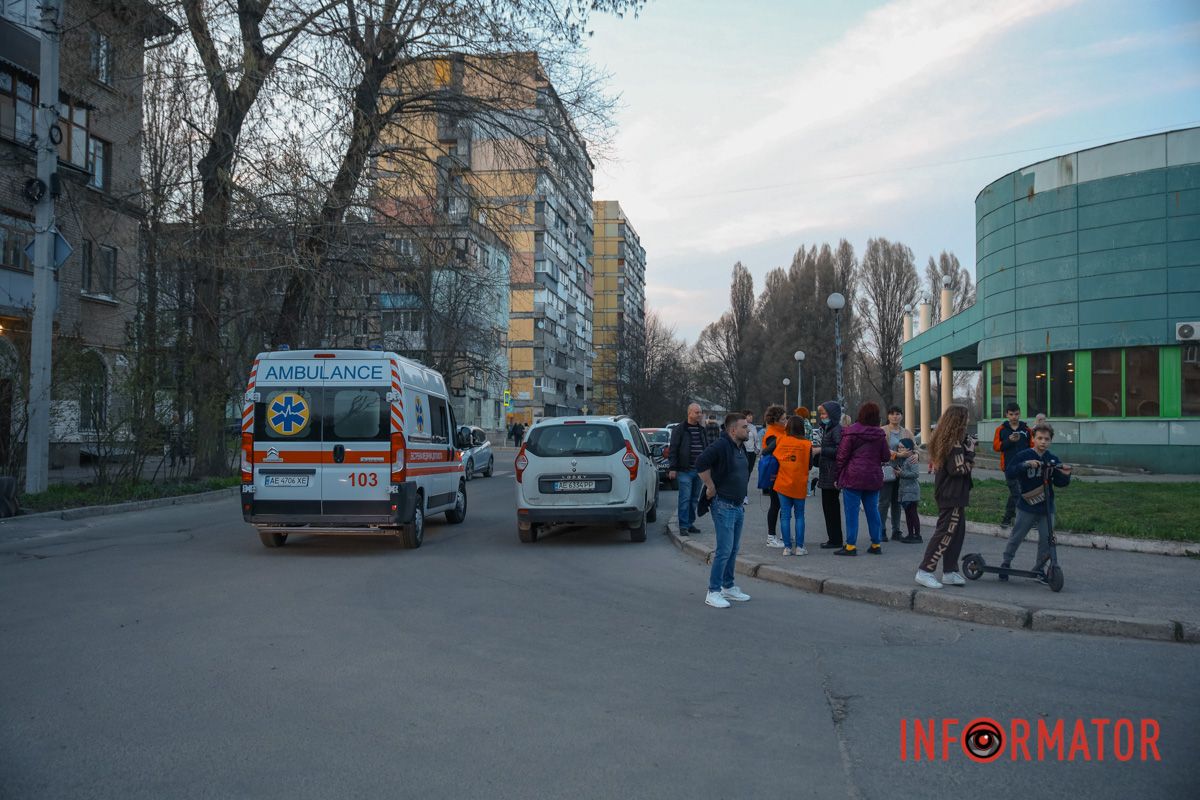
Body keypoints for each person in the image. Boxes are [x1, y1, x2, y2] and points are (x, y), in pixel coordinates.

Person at [1000, 423, 1072, 581]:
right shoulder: (1024, 455)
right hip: (1026, 506)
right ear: (1033, 439)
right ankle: (1006, 563)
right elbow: (1010, 472)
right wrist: (1025, 465)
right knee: (1017, 536)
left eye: (1046, 439)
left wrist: (1066, 475)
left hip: (1046, 507)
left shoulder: (1052, 458)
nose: (1043, 442)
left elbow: (1060, 482)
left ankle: (1039, 568)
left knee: (1046, 540)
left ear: (1051, 441)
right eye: (1040, 438)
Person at [696, 413, 753, 608]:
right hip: (723, 505)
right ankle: (713, 591)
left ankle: (728, 586)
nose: (748, 430)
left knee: (733, 549)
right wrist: (710, 486)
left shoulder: (739, 447)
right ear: (733, 430)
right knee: (724, 550)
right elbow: (701, 463)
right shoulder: (721, 445)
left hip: (737, 506)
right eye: (744, 427)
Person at [915, 405, 975, 589]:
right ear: (958, 420)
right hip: (952, 495)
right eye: (966, 418)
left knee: (956, 533)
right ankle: (925, 571)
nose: (968, 421)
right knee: (946, 533)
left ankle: (950, 571)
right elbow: (958, 469)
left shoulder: (950, 440)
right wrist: (970, 453)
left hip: (953, 494)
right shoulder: (953, 444)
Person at [834, 402, 891, 556]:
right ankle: (876, 544)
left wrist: (837, 476)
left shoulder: (851, 432)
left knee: (851, 513)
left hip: (853, 477)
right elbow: (886, 456)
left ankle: (850, 546)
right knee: (873, 511)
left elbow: (841, 456)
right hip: (873, 477)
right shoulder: (880, 434)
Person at [668, 403, 718, 535]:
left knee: (694, 499)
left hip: (700, 471)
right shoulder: (680, 429)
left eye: (700, 412)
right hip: (685, 470)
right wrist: (672, 468)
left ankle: (690, 523)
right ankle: (683, 526)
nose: (700, 415)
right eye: (697, 412)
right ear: (689, 413)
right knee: (685, 498)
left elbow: (706, 448)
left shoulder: (702, 430)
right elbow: (673, 449)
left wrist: (710, 464)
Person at [771, 414, 817, 556]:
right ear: (802, 428)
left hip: (782, 482)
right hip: (799, 483)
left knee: (785, 516)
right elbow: (810, 466)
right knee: (799, 515)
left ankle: (787, 548)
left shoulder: (781, 440)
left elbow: (771, 456)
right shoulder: (807, 444)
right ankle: (800, 547)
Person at [878, 405, 914, 542]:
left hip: (902, 472)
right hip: (887, 471)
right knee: (883, 502)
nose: (895, 416)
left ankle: (896, 530)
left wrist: (916, 454)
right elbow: (881, 450)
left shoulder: (907, 432)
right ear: (888, 416)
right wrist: (897, 454)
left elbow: (914, 448)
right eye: (892, 414)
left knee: (897, 502)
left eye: (898, 414)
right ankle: (881, 530)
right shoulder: (882, 431)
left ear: (902, 416)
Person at [992, 402, 1030, 527]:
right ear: (1007, 415)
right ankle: (1026, 519)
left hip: (1024, 466)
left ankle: (1007, 518)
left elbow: (1032, 446)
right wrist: (1009, 440)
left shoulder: (1026, 429)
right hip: (1009, 467)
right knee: (1016, 493)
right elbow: (996, 447)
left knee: (1017, 492)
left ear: (1020, 414)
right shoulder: (1001, 429)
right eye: (1011, 414)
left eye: (1016, 414)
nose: (1014, 417)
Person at [814, 401, 844, 549]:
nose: (822, 416)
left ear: (832, 414)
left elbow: (840, 451)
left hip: (832, 473)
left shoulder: (836, 429)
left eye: (824, 413)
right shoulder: (828, 428)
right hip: (827, 472)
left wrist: (821, 450)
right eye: (821, 413)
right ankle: (833, 537)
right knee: (828, 507)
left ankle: (835, 539)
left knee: (831, 507)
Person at [759, 404, 787, 548]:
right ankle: (771, 537)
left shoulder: (781, 431)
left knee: (783, 505)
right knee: (776, 505)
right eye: (783, 419)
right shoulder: (772, 433)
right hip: (775, 474)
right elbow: (768, 452)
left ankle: (784, 534)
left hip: (782, 473)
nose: (785, 421)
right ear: (775, 420)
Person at [894, 436, 922, 543]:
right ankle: (910, 534)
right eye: (899, 447)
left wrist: (901, 473)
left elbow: (915, 474)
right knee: (907, 514)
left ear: (909, 449)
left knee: (913, 514)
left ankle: (917, 535)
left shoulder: (912, 459)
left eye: (902, 447)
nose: (900, 449)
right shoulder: (904, 459)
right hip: (905, 492)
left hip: (912, 491)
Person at [741, 409, 760, 503]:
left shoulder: (753, 427)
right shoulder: (741, 426)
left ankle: (743, 494)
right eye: (749, 415)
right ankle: (744, 495)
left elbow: (756, 439)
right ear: (744, 417)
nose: (751, 417)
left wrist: (757, 449)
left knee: (748, 474)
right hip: (744, 452)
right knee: (743, 474)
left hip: (752, 452)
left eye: (751, 415)